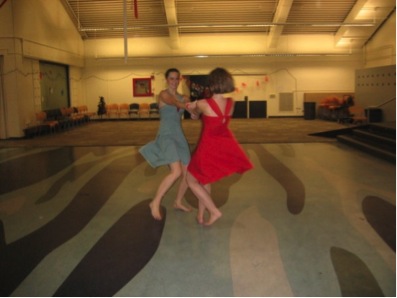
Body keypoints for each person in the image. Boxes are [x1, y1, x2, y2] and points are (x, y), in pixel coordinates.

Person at [185, 67, 253, 226]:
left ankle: (214, 211)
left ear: (212, 83)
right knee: (205, 180)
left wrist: (192, 109)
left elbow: (193, 111)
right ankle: (201, 216)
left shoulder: (203, 103)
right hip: (221, 145)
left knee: (191, 180)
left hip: (207, 147)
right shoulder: (231, 103)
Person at [139, 68, 194, 220]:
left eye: (177, 79)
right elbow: (175, 102)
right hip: (166, 135)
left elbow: (193, 111)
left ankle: (177, 201)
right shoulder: (163, 94)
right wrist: (189, 106)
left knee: (188, 173)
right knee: (176, 171)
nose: (174, 81)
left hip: (179, 136)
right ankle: (155, 202)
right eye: (171, 78)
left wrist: (195, 111)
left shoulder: (184, 97)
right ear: (167, 79)